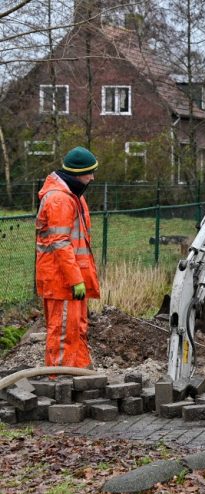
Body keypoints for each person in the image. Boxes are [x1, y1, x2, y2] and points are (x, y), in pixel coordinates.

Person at [35, 146, 101, 369]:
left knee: (76, 329)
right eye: (89, 173)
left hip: (71, 280)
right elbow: (60, 243)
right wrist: (76, 279)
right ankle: (59, 381)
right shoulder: (59, 200)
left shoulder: (74, 197)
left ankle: (78, 374)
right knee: (63, 331)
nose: (92, 178)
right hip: (61, 280)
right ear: (76, 173)